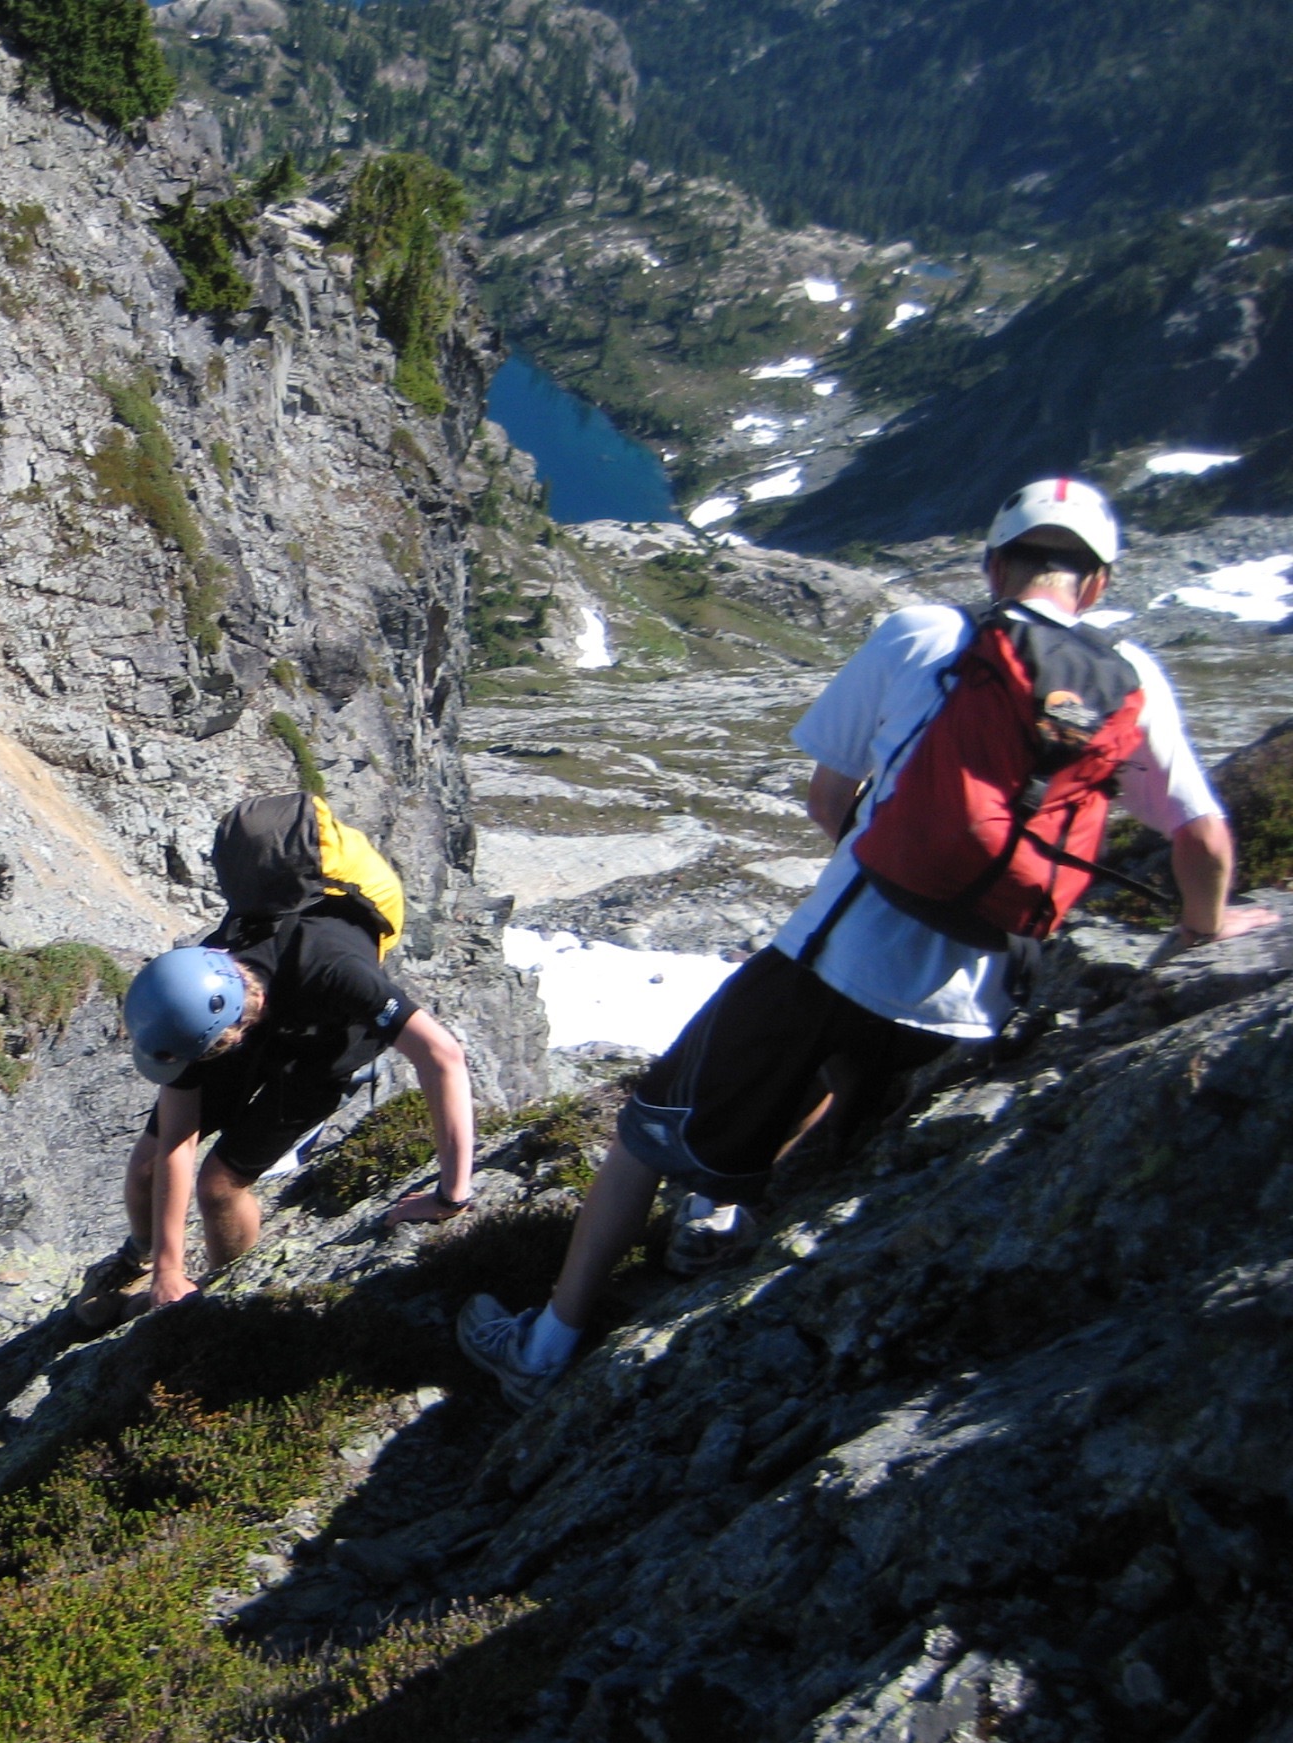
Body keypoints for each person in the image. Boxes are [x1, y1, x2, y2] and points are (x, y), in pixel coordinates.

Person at [456, 476, 1278, 1408]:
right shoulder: (1130, 679)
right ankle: (720, 1222)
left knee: (648, 1131)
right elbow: (1203, 840)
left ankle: (546, 1345)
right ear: (1093, 583)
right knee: (841, 1125)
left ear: (995, 564)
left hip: (837, 952)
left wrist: (887, 860)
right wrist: (1203, 933)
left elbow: (824, 797)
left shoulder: (925, 634)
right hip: (980, 1003)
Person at [112, 904, 478, 1319]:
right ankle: (137, 1264)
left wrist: (450, 1197)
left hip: (322, 1055)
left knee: (219, 1188)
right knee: (147, 1163)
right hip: (257, 1020)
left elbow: (443, 1055)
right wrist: (167, 1267)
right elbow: (177, 1139)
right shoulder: (194, 992)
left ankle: (226, 1296)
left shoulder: (338, 972)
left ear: (228, 1034)